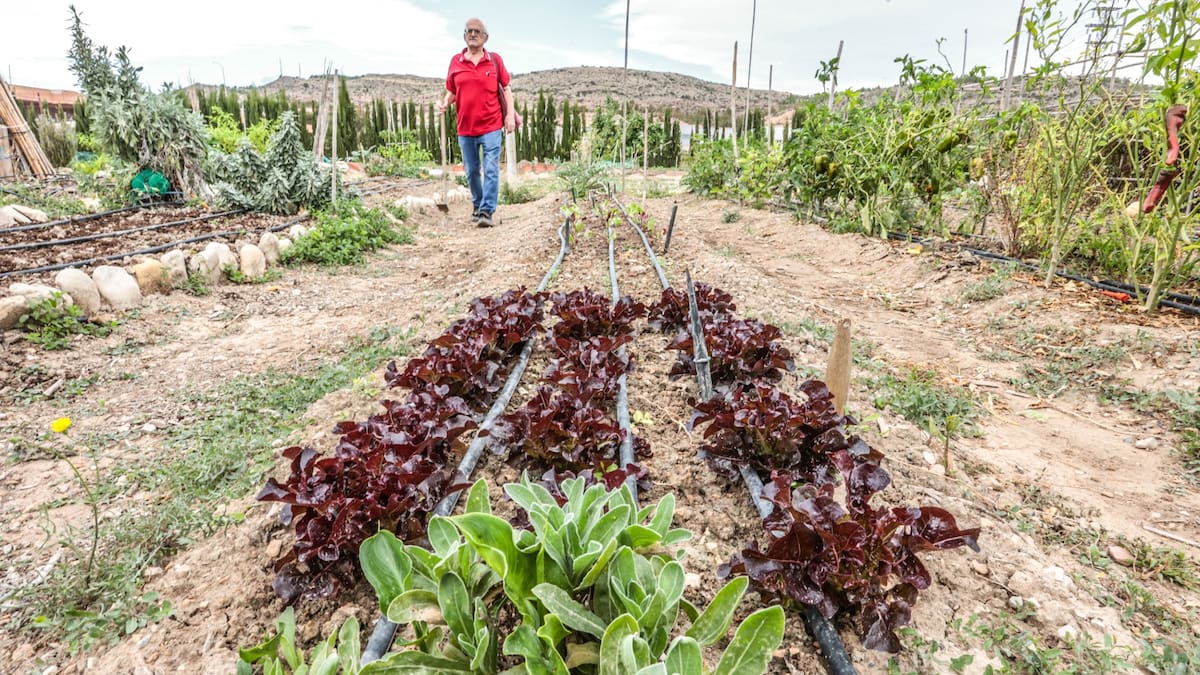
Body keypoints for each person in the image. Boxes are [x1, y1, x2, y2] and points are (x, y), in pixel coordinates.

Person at [438, 17, 517, 228]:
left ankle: (486, 210)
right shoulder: (456, 61)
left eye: (477, 31)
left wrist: (509, 115)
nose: (473, 34)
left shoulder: (494, 60)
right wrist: (445, 102)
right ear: (464, 36)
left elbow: (506, 88)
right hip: (465, 128)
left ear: (486, 37)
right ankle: (477, 204)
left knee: (490, 168)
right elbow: (452, 91)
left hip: (491, 125)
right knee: (472, 171)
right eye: (469, 31)